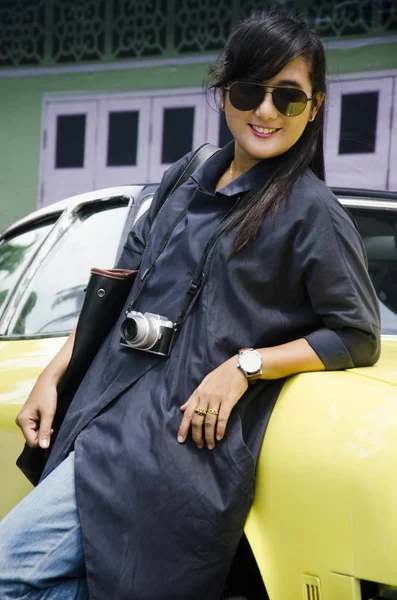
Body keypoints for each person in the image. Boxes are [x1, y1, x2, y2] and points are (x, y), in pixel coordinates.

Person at [0, 10, 380, 600]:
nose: (267, 112)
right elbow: (120, 290)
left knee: (14, 572)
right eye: (251, 91)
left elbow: (356, 333)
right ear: (223, 91)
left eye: (289, 98)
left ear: (317, 105)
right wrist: (54, 375)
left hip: (174, 445)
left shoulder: (312, 213)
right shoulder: (185, 176)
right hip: (103, 413)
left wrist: (246, 366)